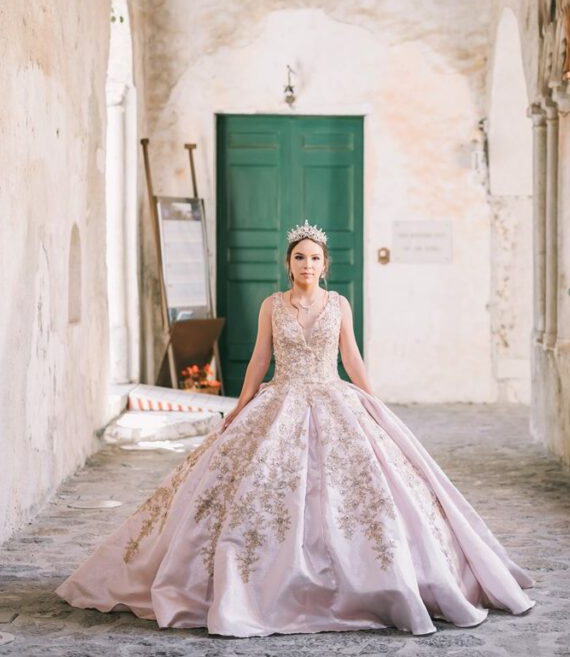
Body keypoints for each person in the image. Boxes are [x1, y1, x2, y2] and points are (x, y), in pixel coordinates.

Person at [54, 220, 537, 637]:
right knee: (255, 490)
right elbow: (260, 360)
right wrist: (238, 410)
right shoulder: (272, 306)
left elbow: (351, 358)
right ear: (289, 265)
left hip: (333, 400)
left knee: (360, 497)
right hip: (280, 400)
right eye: (300, 257)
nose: (307, 264)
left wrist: (374, 405)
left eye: (315, 258)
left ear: (325, 265)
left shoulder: (339, 305)